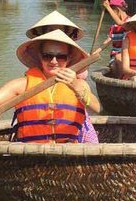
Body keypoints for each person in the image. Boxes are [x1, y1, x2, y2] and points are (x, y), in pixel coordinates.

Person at [0, 29, 101, 144]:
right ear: (40, 56)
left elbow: (97, 109)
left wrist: (75, 86)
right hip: (29, 154)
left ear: (69, 58)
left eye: (61, 56)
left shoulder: (80, 84)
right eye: (47, 56)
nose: (54, 61)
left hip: (69, 154)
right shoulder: (21, 85)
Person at [24, 11, 98, 142]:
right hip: (43, 113)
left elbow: (95, 106)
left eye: (60, 31)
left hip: (73, 107)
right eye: (51, 31)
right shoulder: (32, 74)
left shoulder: (76, 60)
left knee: (88, 138)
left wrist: (75, 84)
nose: (54, 60)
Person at [101, 0, 129, 78]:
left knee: (118, 57)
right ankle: (120, 80)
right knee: (113, 65)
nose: (110, 13)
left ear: (117, 9)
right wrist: (93, 53)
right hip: (115, 57)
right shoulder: (113, 26)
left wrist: (107, 7)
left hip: (127, 56)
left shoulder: (131, 22)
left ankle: (123, 79)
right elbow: (107, 42)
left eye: (112, 10)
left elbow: (121, 23)